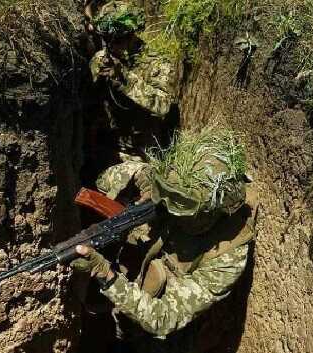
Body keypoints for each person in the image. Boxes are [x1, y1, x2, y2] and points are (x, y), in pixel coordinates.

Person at [73, 128, 257, 352]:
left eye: (183, 207)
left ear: (215, 210)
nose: (172, 209)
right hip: (131, 291)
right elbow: (103, 178)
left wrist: (106, 275)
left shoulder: (228, 255)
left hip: (164, 335)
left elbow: (163, 319)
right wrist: (143, 184)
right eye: (169, 197)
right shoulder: (174, 184)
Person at [83, 0, 179, 157]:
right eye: (107, 40)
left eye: (118, 40)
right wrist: (96, 80)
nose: (112, 46)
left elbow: (163, 106)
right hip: (105, 147)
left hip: (140, 152)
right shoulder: (101, 59)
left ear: (132, 35)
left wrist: (124, 80)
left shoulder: (158, 63)